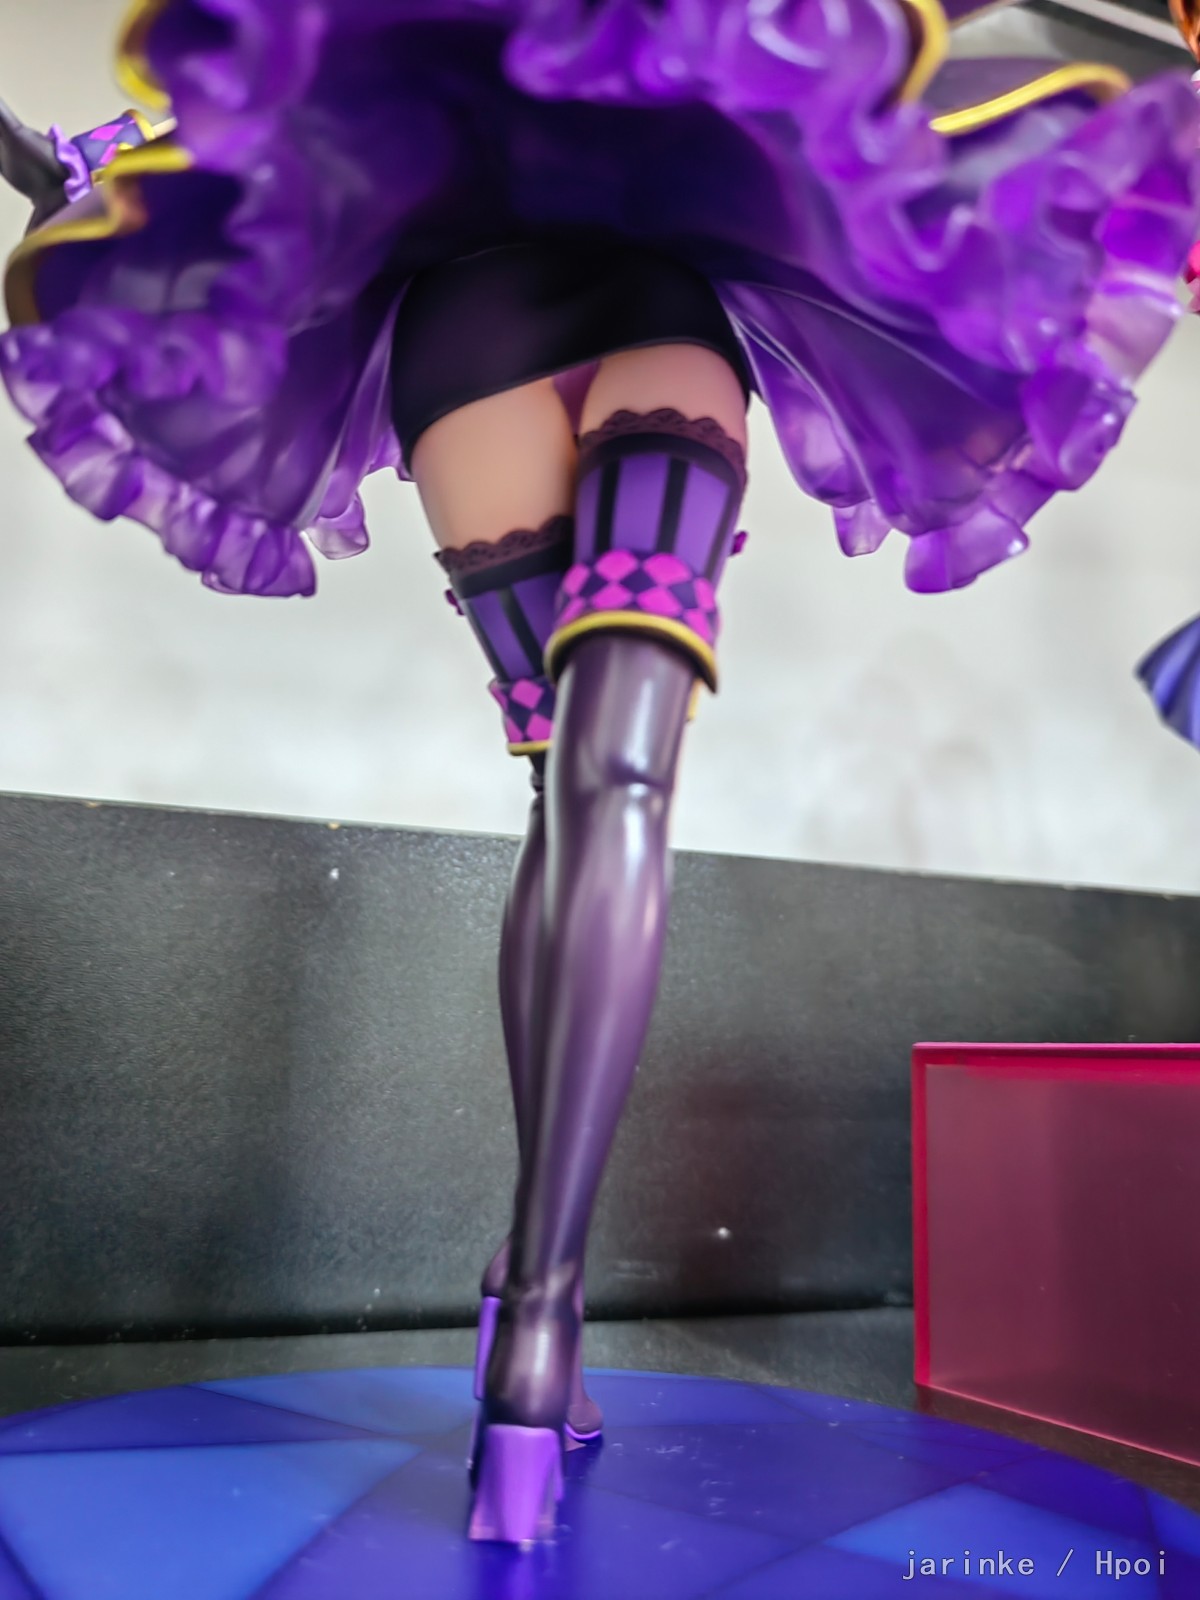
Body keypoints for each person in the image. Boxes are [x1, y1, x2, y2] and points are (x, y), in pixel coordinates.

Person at [2, 0, 1198, 1544]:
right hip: (642, 313)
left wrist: (101, 161)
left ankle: (534, 1316)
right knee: (614, 786)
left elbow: (271, 71)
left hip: (478, 335)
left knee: (571, 793)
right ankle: (540, 1298)